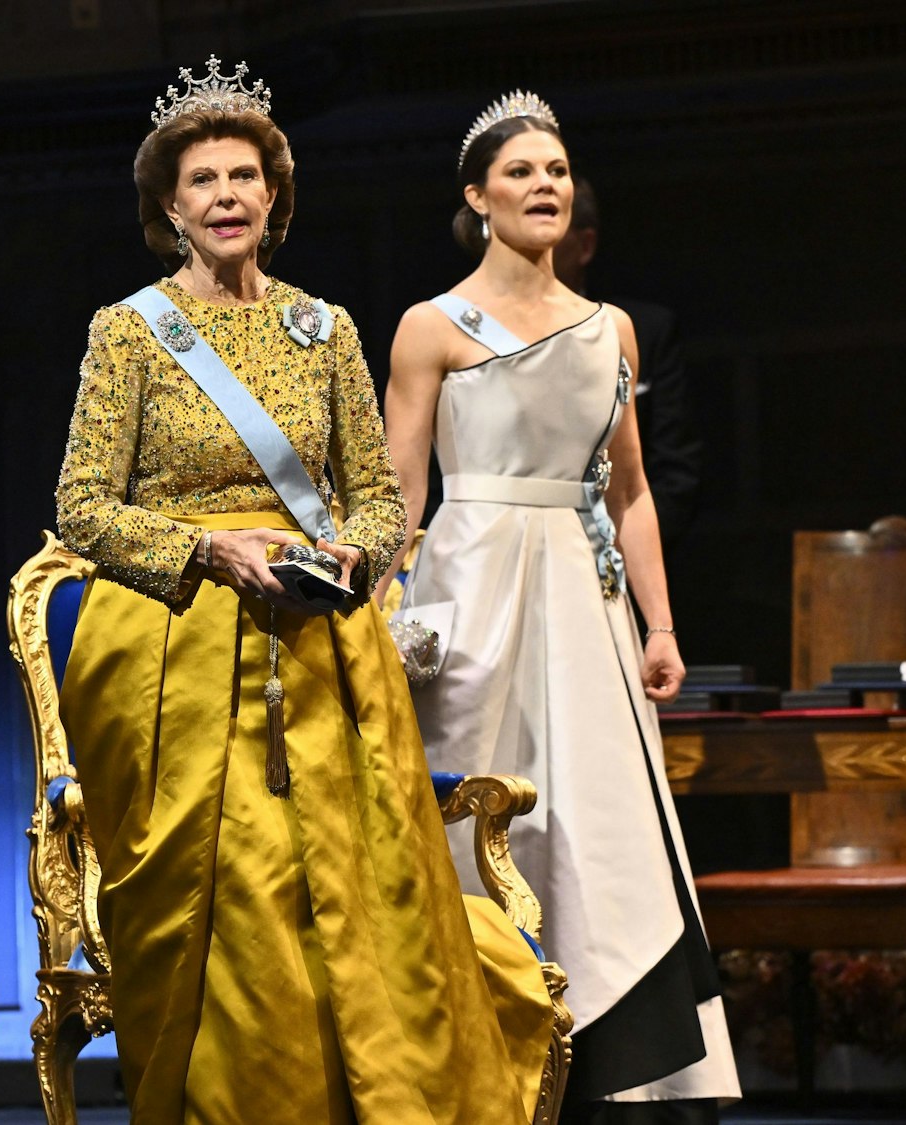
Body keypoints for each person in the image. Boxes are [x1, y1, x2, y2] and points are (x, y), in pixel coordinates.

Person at [53, 58, 554, 1125]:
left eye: (244, 176)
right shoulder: (126, 332)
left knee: (356, 892)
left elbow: (376, 495)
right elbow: (83, 510)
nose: (226, 196)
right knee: (238, 896)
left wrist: (348, 558)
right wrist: (207, 550)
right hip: (173, 653)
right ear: (168, 208)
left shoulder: (324, 329)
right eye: (202, 181)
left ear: (273, 198)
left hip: (324, 647)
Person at [381, 92, 740, 1123]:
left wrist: (660, 626)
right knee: (481, 808)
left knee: (598, 817)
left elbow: (627, 492)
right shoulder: (429, 327)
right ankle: (474, 1054)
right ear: (475, 198)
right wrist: (382, 613)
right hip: (473, 592)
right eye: (519, 172)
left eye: (555, 170)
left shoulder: (609, 329)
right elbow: (400, 498)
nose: (544, 184)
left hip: (583, 600)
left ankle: (615, 1057)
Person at [552, 177, 703, 548]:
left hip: (615, 556)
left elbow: (670, 477)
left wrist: (611, 556)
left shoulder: (634, 329)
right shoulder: (465, 334)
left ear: (584, 244)